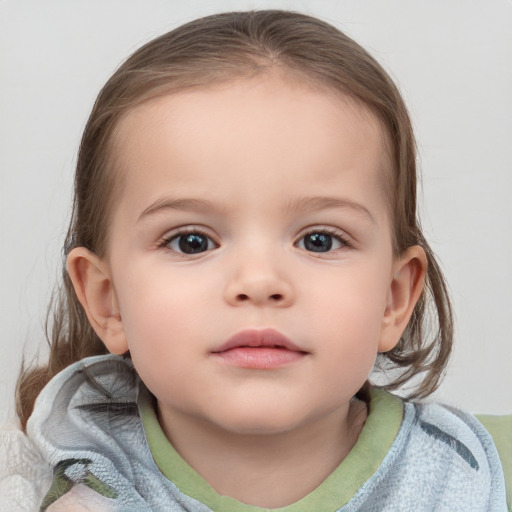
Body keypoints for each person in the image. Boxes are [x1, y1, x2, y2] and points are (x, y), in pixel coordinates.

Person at [0, 9, 509, 512]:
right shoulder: (64, 486)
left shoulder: (482, 477)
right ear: (107, 301)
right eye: (191, 241)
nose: (260, 282)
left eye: (319, 241)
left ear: (393, 298)